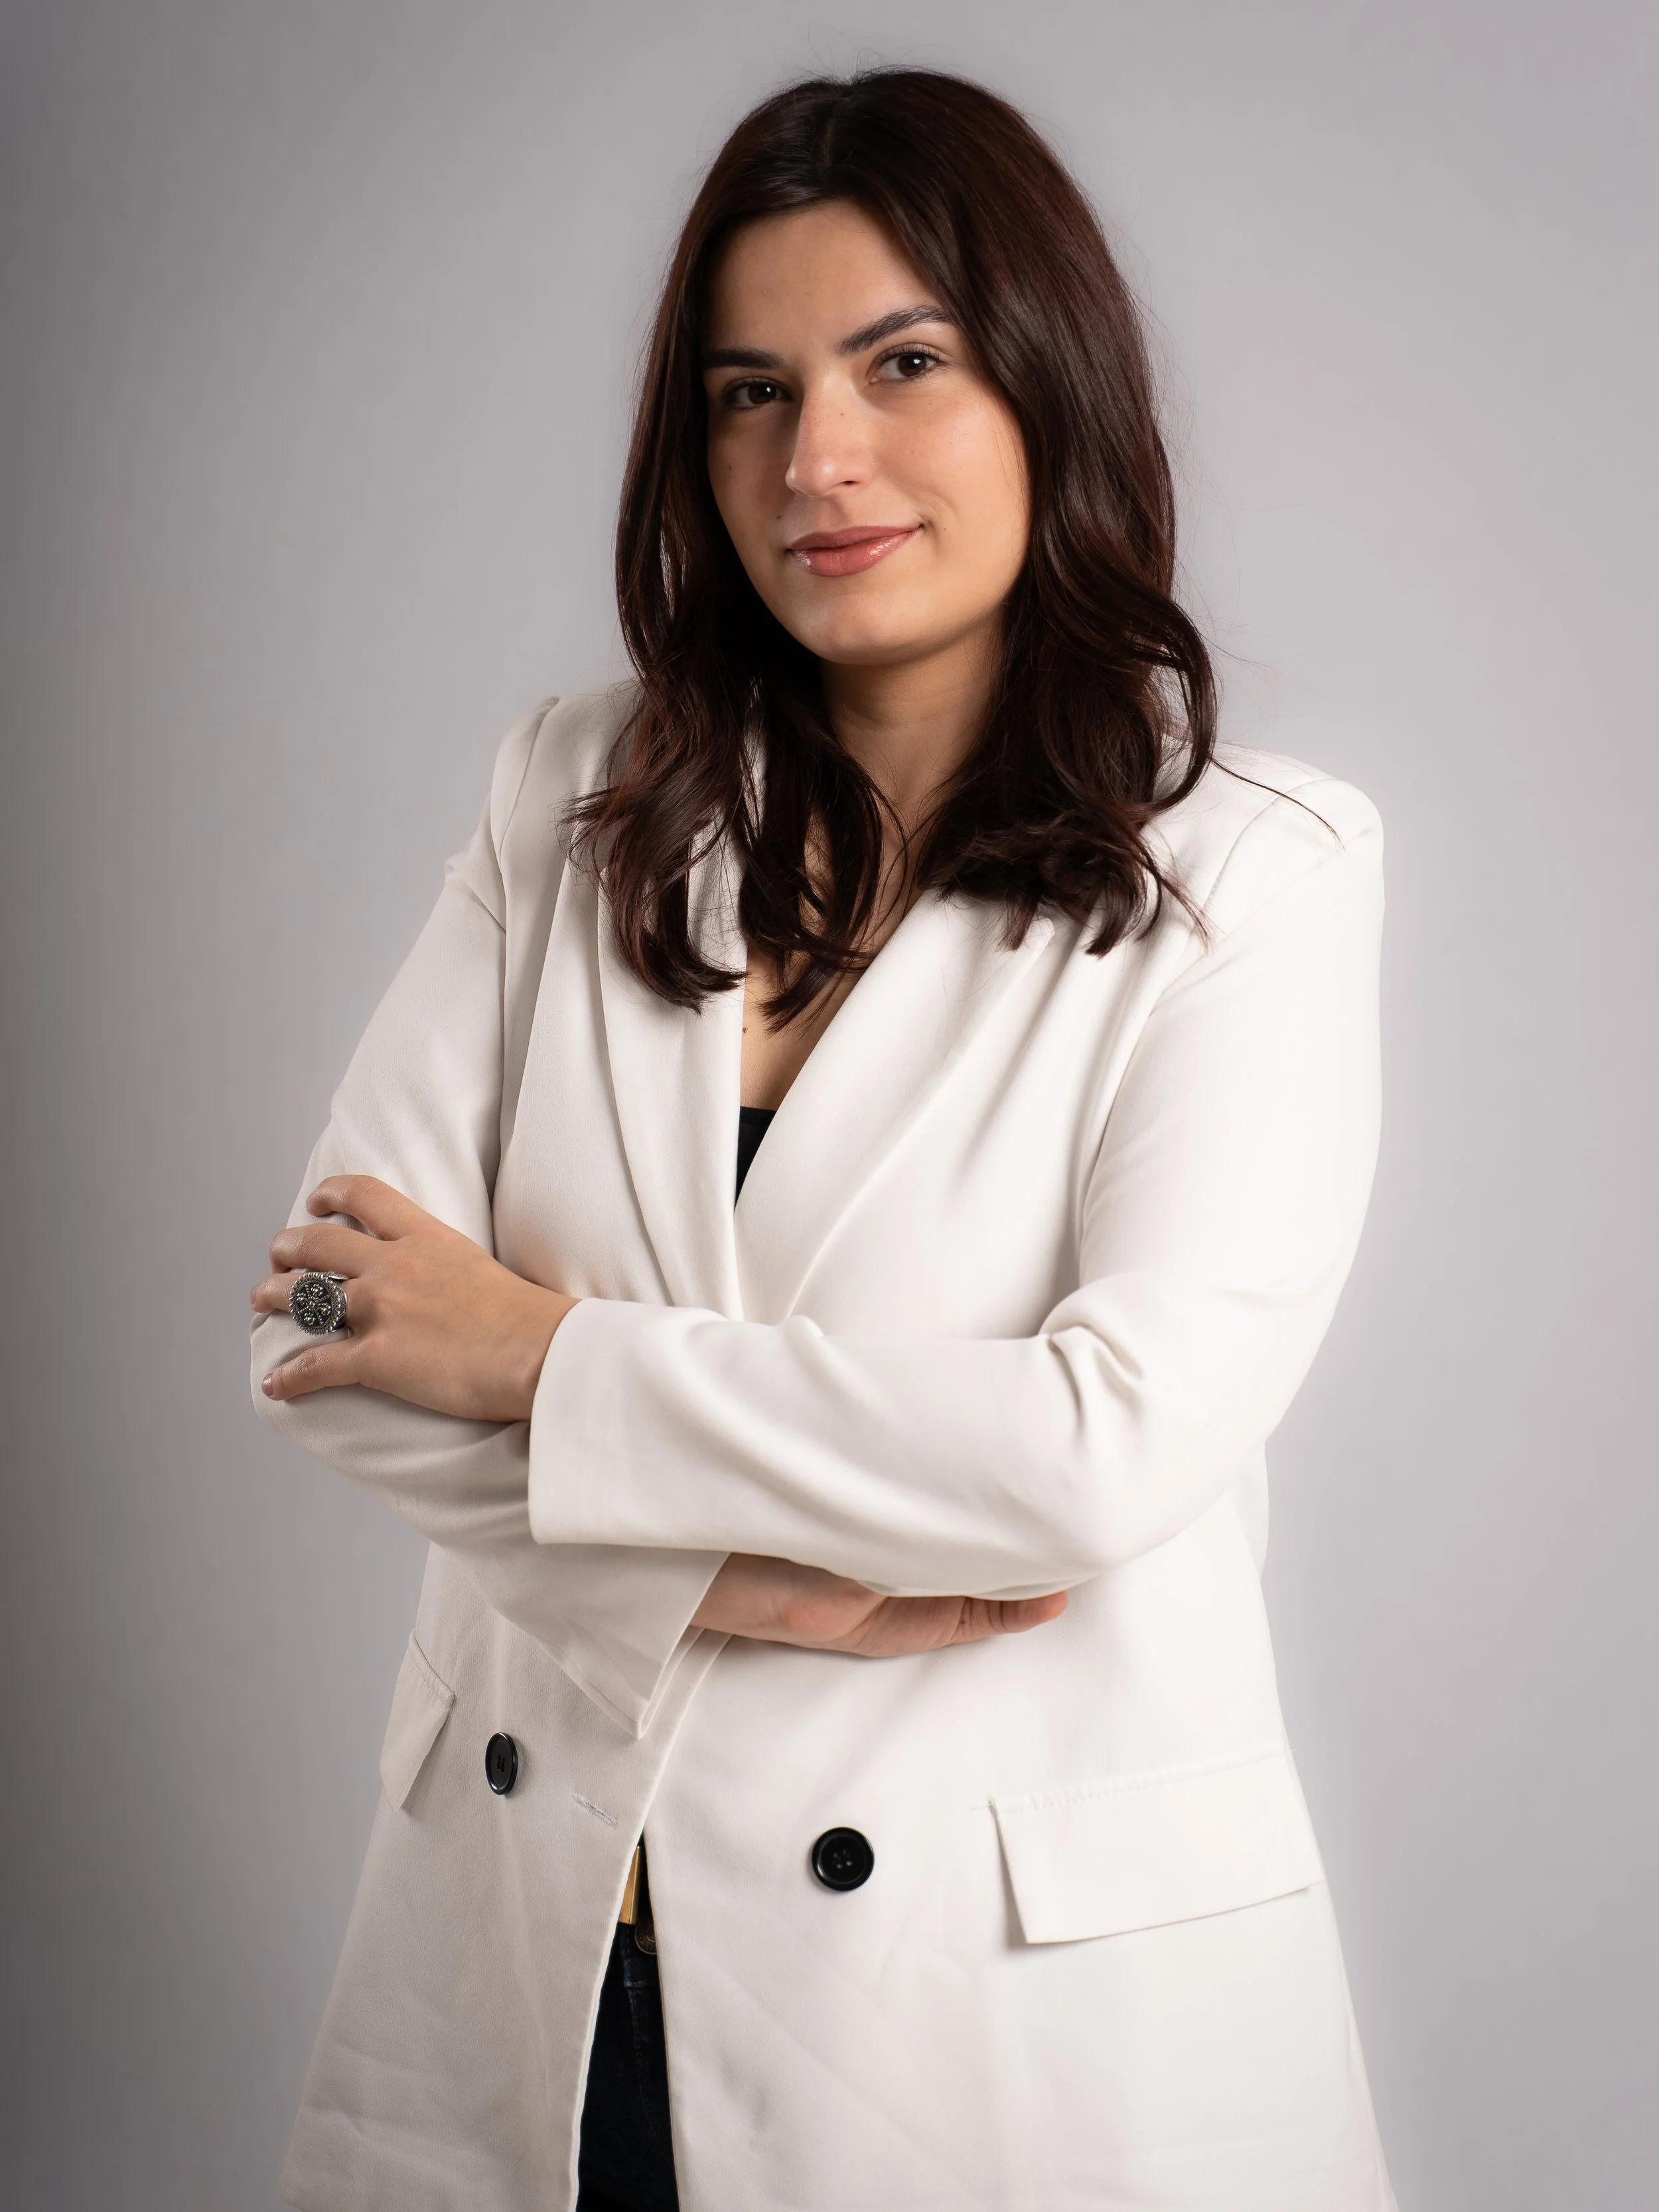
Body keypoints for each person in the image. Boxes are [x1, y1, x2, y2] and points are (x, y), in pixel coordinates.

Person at [250, 66, 1398, 2212]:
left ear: (1048, 385)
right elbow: (316, 1309)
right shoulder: (573, 794)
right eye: (748, 391)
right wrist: (744, 1569)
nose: (816, 460)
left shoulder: (1250, 874)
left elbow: (1089, 1454)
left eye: (902, 364)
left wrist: (528, 1356)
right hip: (549, 1949)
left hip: (993, 2023)